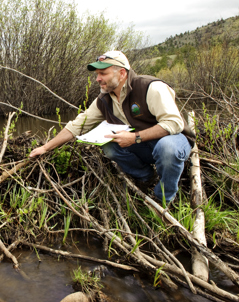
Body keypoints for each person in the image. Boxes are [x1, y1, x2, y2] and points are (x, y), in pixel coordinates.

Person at [30, 51, 191, 204]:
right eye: (97, 75)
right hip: (144, 145)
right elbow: (77, 126)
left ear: (121, 73)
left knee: (167, 148)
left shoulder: (151, 87)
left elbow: (174, 124)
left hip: (173, 140)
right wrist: (45, 147)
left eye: (103, 73)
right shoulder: (104, 99)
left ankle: (163, 200)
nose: (98, 79)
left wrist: (134, 138)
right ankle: (146, 177)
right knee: (109, 145)